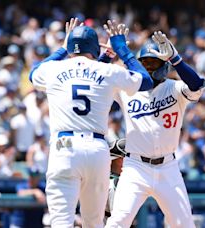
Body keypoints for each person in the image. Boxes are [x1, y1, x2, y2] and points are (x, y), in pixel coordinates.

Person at [29, 18, 152, 227]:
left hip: (64, 148)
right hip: (97, 150)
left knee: (60, 222)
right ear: (95, 48)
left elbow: (34, 74)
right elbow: (145, 81)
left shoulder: (53, 70)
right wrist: (121, 49)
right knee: (93, 223)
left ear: (69, 47)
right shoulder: (108, 71)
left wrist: (61, 49)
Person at [106, 31, 205, 227]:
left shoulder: (175, 88)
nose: (149, 67)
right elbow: (99, 80)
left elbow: (196, 85)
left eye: (154, 63)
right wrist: (108, 57)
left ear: (164, 65)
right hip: (135, 167)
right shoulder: (129, 88)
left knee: (184, 224)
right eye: (144, 63)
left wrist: (176, 60)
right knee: (118, 221)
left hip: (168, 167)